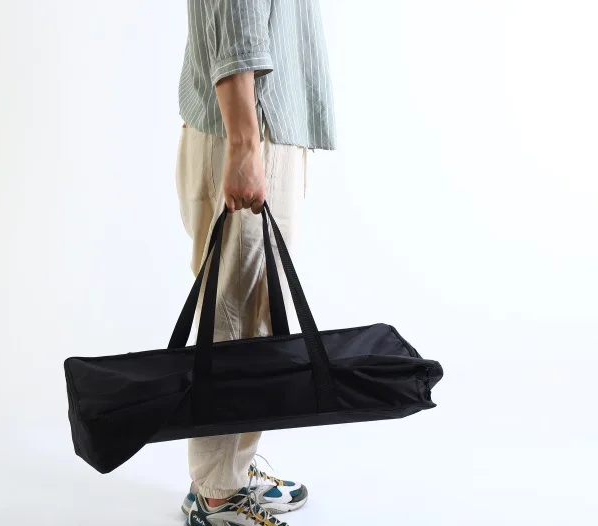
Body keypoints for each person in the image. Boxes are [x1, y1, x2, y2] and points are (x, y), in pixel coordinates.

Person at [175, 1, 336, 525]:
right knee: (238, 320)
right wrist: (245, 144)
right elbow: (238, 18)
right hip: (250, 130)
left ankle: (225, 475)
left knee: (244, 314)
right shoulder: (246, 139)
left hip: (252, 126)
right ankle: (218, 495)